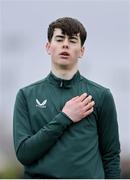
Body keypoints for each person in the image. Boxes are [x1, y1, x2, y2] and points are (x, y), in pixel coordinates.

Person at [13, 17, 121, 179]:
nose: (65, 44)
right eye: (59, 39)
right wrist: (65, 117)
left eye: (72, 40)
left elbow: (111, 157)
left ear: (82, 51)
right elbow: (24, 154)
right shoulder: (26, 95)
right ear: (48, 47)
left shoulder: (101, 96)